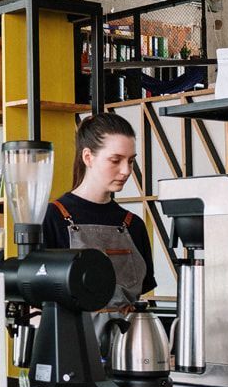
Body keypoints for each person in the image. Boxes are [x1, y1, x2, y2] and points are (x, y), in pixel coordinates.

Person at [41, 113, 156, 346]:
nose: (126, 170)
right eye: (115, 160)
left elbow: (139, 296)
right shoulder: (52, 218)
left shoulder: (133, 225)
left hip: (129, 353)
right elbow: (39, 303)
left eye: (131, 161)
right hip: (72, 352)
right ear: (88, 157)